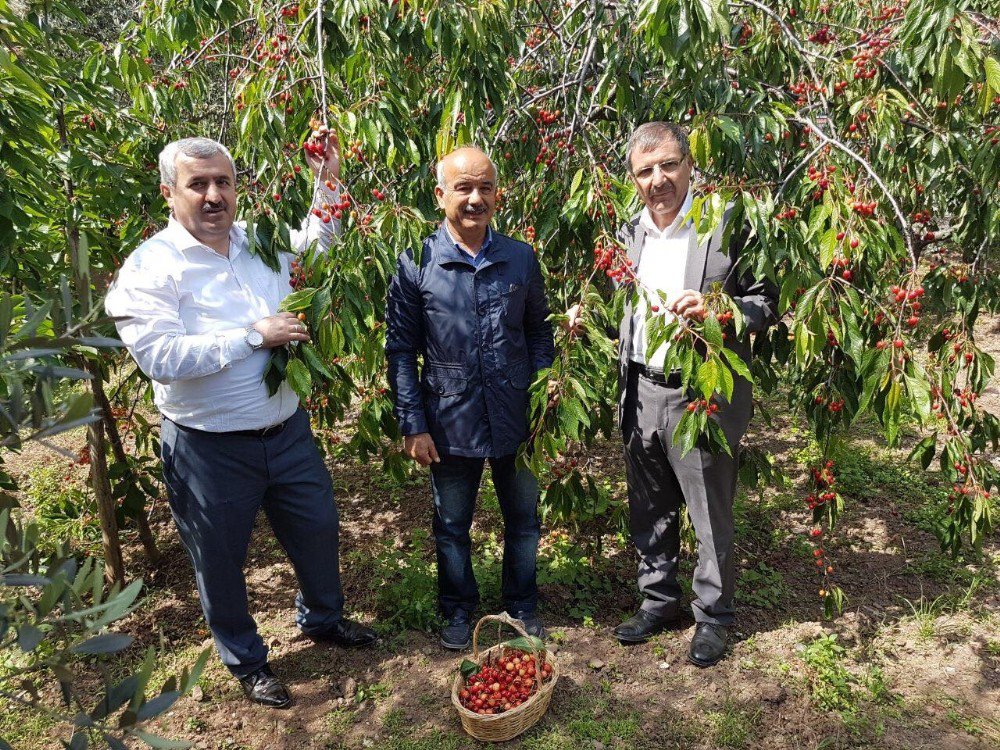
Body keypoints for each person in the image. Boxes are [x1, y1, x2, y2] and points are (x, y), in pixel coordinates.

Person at [105, 135, 376, 709]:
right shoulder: (151, 267)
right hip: (208, 448)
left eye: (222, 182)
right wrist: (255, 334)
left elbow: (317, 245)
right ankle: (248, 661)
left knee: (318, 529)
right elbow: (160, 357)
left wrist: (327, 179)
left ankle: (323, 619)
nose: (212, 195)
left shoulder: (259, 241)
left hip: (286, 432)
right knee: (220, 560)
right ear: (168, 193)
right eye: (197, 184)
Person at [567, 122, 777, 666]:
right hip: (640, 388)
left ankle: (714, 616)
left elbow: (767, 302)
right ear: (632, 180)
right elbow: (620, 303)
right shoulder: (627, 232)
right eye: (644, 171)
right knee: (649, 504)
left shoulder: (724, 227)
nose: (658, 180)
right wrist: (585, 316)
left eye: (667, 165)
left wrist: (722, 313)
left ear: (689, 166)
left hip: (700, 394)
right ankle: (658, 600)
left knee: (708, 509)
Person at [385, 146, 555, 650]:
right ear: (441, 196)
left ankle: (521, 605)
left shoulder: (519, 257)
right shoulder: (417, 262)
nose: (475, 198)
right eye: (463, 188)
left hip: (516, 418)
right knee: (452, 526)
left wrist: (546, 399)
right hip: (450, 421)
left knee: (524, 521)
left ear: (497, 194)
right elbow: (401, 351)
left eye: (484, 187)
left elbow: (539, 332)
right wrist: (413, 423)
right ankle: (457, 609)